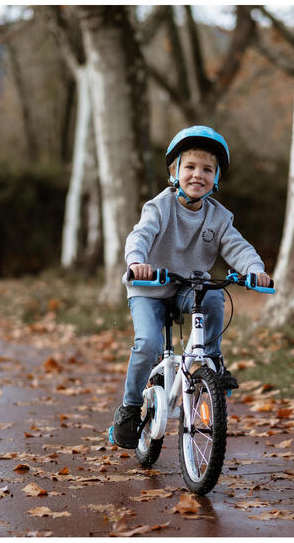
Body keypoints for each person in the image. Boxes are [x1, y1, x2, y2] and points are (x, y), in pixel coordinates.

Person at [110, 125, 271, 449]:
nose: (198, 175)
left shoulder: (219, 217)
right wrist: (137, 261)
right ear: (175, 172)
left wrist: (255, 270)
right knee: (148, 343)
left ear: (216, 179)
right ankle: (128, 410)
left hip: (187, 287)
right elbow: (139, 235)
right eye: (190, 167)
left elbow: (237, 247)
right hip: (150, 286)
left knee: (213, 296)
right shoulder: (159, 207)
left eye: (207, 170)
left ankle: (211, 362)